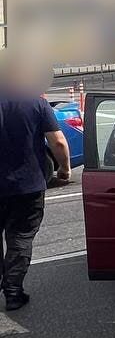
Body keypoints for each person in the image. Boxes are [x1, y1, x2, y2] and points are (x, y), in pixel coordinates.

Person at [0, 75, 71, 310]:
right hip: (27, 185)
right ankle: (13, 292)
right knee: (20, 238)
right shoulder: (36, 103)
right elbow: (57, 142)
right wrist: (64, 168)